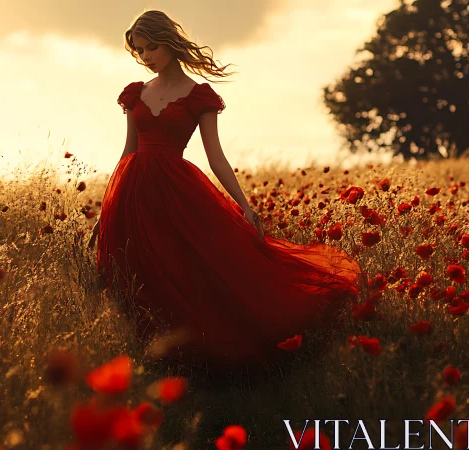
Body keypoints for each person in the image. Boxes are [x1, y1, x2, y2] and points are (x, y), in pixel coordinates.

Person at [87, 10, 361, 371]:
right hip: (133, 192)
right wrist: (107, 206)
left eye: (152, 46)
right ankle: (151, 355)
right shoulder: (135, 93)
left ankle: (196, 352)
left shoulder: (199, 96)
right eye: (139, 50)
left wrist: (245, 207)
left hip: (175, 191)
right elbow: (128, 151)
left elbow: (215, 157)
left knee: (187, 267)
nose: (146, 56)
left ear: (170, 42)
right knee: (138, 272)